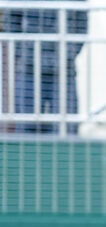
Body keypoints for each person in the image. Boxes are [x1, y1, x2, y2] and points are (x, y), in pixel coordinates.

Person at [3, 0, 88, 134]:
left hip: (64, 71)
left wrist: (68, 53)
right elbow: (11, 18)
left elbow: (81, 23)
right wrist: (22, 51)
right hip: (29, 69)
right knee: (26, 127)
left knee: (65, 128)